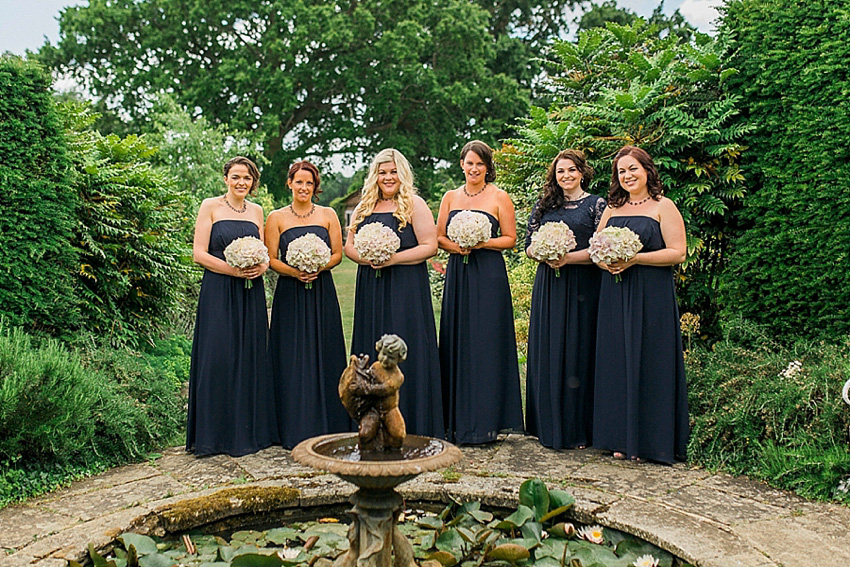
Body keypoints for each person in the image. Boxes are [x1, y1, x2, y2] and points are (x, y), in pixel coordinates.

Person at [592, 145, 689, 463]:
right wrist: (608, 262)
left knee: (650, 359)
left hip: (651, 295)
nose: (627, 175)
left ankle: (651, 442)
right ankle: (619, 438)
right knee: (616, 361)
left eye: (633, 168)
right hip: (614, 293)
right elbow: (597, 249)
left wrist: (635, 259)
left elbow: (677, 252)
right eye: (621, 171)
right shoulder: (611, 209)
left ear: (647, 170)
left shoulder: (664, 206)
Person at [344, 148, 444, 438]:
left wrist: (392, 258)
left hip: (406, 287)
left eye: (393, 172)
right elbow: (350, 246)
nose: (387, 177)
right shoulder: (365, 205)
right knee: (371, 345)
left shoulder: (414, 204)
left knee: (405, 342)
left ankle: (413, 420)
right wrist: (368, 258)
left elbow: (430, 246)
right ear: (375, 176)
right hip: (371, 286)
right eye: (382, 172)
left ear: (402, 174)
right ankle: (370, 422)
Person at [186, 156, 277, 456]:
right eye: (236, 176)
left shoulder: (257, 211)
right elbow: (199, 254)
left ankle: (249, 432)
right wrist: (233, 270)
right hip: (219, 291)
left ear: (253, 182)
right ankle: (214, 436)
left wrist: (261, 266)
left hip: (251, 293)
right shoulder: (209, 206)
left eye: (247, 178)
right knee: (218, 356)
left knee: (250, 355)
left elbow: (264, 253)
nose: (242, 182)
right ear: (226, 178)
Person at [437, 140, 524, 444]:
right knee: (457, 338)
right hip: (458, 272)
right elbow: (439, 238)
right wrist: (459, 245)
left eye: (480, 164)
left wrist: (481, 243)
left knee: (488, 340)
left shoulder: (500, 197)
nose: (474, 169)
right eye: (469, 163)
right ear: (461, 164)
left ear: (488, 167)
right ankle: (456, 421)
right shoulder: (450, 197)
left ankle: (489, 420)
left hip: (488, 272)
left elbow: (511, 238)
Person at [524, 149, 606, 450]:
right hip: (549, 284)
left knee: (578, 349)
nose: (566, 176)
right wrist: (545, 252)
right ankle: (546, 423)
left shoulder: (596, 204)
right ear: (555, 176)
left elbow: (601, 247)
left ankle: (577, 428)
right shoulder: (545, 204)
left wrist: (568, 257)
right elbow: (528, 245)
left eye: (571, 170)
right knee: (549, 347)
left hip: (584, 285)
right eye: (560, 172)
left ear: (582, 172)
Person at [266, 161, 350, 449]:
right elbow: (271, 259)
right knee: (290, 354)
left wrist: (318, 265)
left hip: (321, 291)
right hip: (290, 292)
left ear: (316, 187)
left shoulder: (328, 215)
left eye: (309, 183)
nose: (304, 188)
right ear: (289, 183)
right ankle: (292, 425)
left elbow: (338, 254)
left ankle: (330, 424)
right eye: (299, 182)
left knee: (325, 350)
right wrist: (295, 271)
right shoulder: (276, 217)